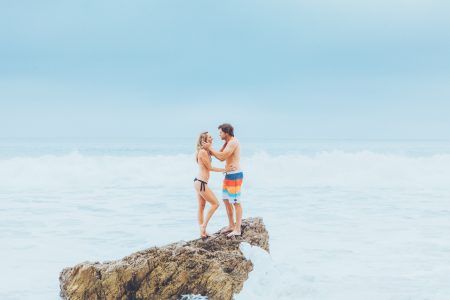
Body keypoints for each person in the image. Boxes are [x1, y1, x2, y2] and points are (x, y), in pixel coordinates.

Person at [203, 123, 243, 237]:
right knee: (226, 200)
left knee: (236, 202)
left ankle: (238, 228)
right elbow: (219, 155)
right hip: (228, 175)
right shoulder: (227, 142)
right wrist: (207, 147)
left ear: (226, 133)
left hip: (235, 175)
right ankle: (231, 225)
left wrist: (210, 148)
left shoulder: (233, 142)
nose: (219, 135)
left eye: (220, 132)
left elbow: (221, 157)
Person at [194, 131, 234, 238]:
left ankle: (202, 232)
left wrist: (226, 144)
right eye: (210, 137)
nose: (212, 138)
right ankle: (203, 227)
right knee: (215, 204)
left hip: (199, 182)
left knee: (201, 206)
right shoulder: (203, 152)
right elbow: (210, 168)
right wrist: (225, 169)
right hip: (201, 182)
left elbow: (219, 154)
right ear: (204, 140)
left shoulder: (207, 151)